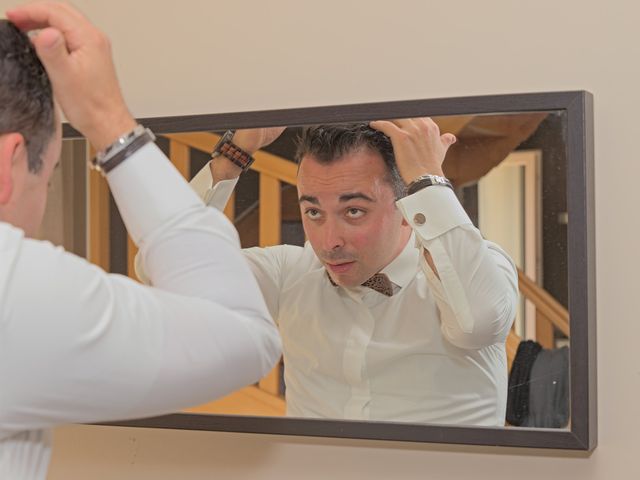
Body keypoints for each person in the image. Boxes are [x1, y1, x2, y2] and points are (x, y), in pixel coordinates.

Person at [0, 2, 280, 478]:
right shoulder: (15, 291)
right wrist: (110, 122)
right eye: (48, 179)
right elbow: (244, 334)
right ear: (8, 166)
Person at [145, 119, 519, 426]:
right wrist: (232, 155)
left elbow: (478, 324)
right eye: (313, 212)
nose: (328, 242)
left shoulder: (478, 266)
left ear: (407, 204)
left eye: (353, 211)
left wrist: (427, 180)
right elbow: (165, 272)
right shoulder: (288, 272)